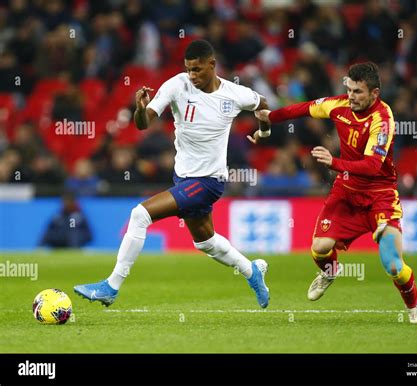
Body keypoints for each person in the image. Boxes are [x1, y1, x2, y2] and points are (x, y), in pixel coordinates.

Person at [74, 40, 270, 308]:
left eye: (198, 70)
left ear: (212, 65)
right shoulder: (177, 85)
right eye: (189, 69)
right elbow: (144, 123)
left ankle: (111, 286)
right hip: (184, 178)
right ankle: (252, 271)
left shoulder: (234, 94)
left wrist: (264, 131)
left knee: (139, 215)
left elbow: (262, 103)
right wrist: (140, 110)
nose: (192, 76)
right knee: (206, 242)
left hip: (209, 182)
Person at [252, 62, 417, 323]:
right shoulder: (339, 105)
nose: (351, 96)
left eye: (358, 92)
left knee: (392, 264)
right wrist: (272, 117)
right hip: (346, 191)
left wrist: (333, 162)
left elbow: (371, 166)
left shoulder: (383, 119)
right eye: (349, 90)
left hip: (380, 195)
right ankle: (331, 271)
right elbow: (304, 108)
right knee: (319, 248)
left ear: (374, 93)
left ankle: (414, 307)